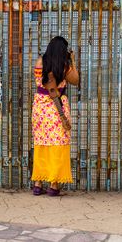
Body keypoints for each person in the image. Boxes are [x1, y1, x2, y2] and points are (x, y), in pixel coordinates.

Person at [31, 36, 79, 196]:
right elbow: (76, 80)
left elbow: (39, 80)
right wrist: (72, 60)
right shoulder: (64, 67)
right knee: (57, 145)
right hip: (57, 109)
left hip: (40, 108)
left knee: (41, 144)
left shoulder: (39, 62)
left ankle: (38, 183)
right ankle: (54, 185)